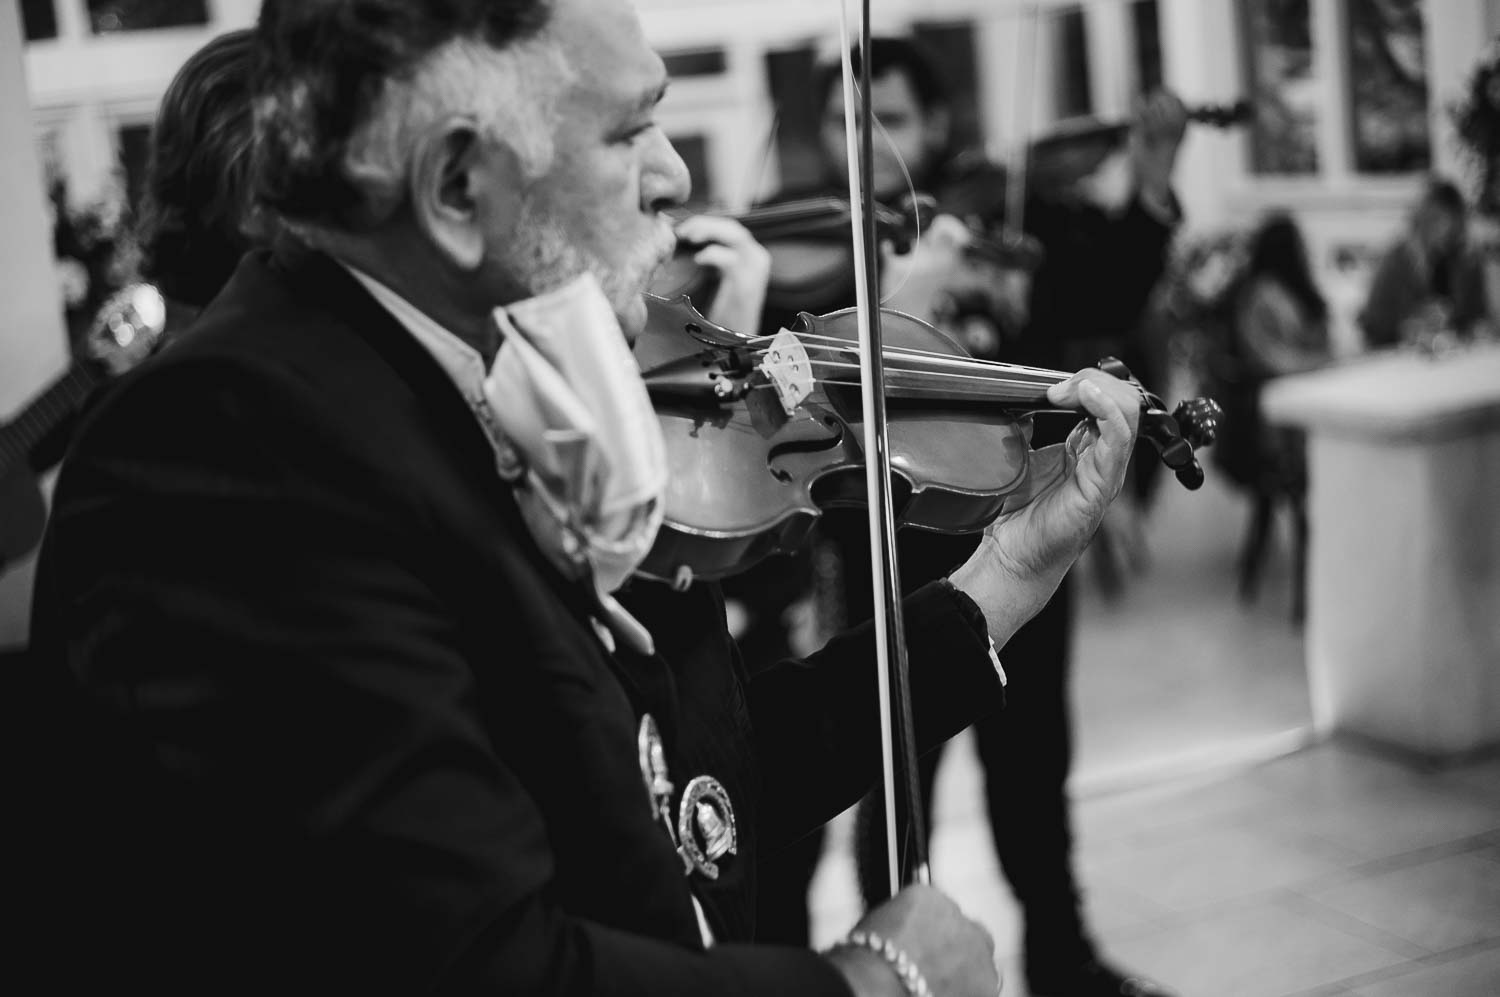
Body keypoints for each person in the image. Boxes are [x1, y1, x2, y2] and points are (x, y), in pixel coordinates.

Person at [12, 2, 1148, 994]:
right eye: (627, 129)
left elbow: (702, 785)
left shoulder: (510, 386)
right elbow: (476, 967)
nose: (678, 176)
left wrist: (1007, 574)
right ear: (458, 185)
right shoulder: (224, 449)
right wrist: (873, 978)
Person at [752, 37, 1185, 997]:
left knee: (1035, 765)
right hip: (878, 552)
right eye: (843, 122)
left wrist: (1149, 182)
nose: (864, 142)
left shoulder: (994, 220)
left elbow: (1108, 285)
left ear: (937, 126)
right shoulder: (817, 256)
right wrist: (908, 294)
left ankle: (1064, 959)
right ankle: (897, 958)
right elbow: (787, 381)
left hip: (1018, 518)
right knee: (888, 777)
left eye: (890, 121)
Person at [1209, 213, 1330, 617]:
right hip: (1272, 434)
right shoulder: (1263, 297)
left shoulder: (1269, 293)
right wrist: (1322, 363)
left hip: (1285, 417)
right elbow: (1270, 359)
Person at [1358, 177, 1486, 350]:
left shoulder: (1466, 260)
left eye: (1451, 221)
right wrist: (1410, 324)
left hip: (1454, 353)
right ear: (1422, 220)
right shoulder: (1396, 261)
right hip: (1400, 359)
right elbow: (1374, 324)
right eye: (1436, 220)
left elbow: (1476, 315)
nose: (1445, 230)